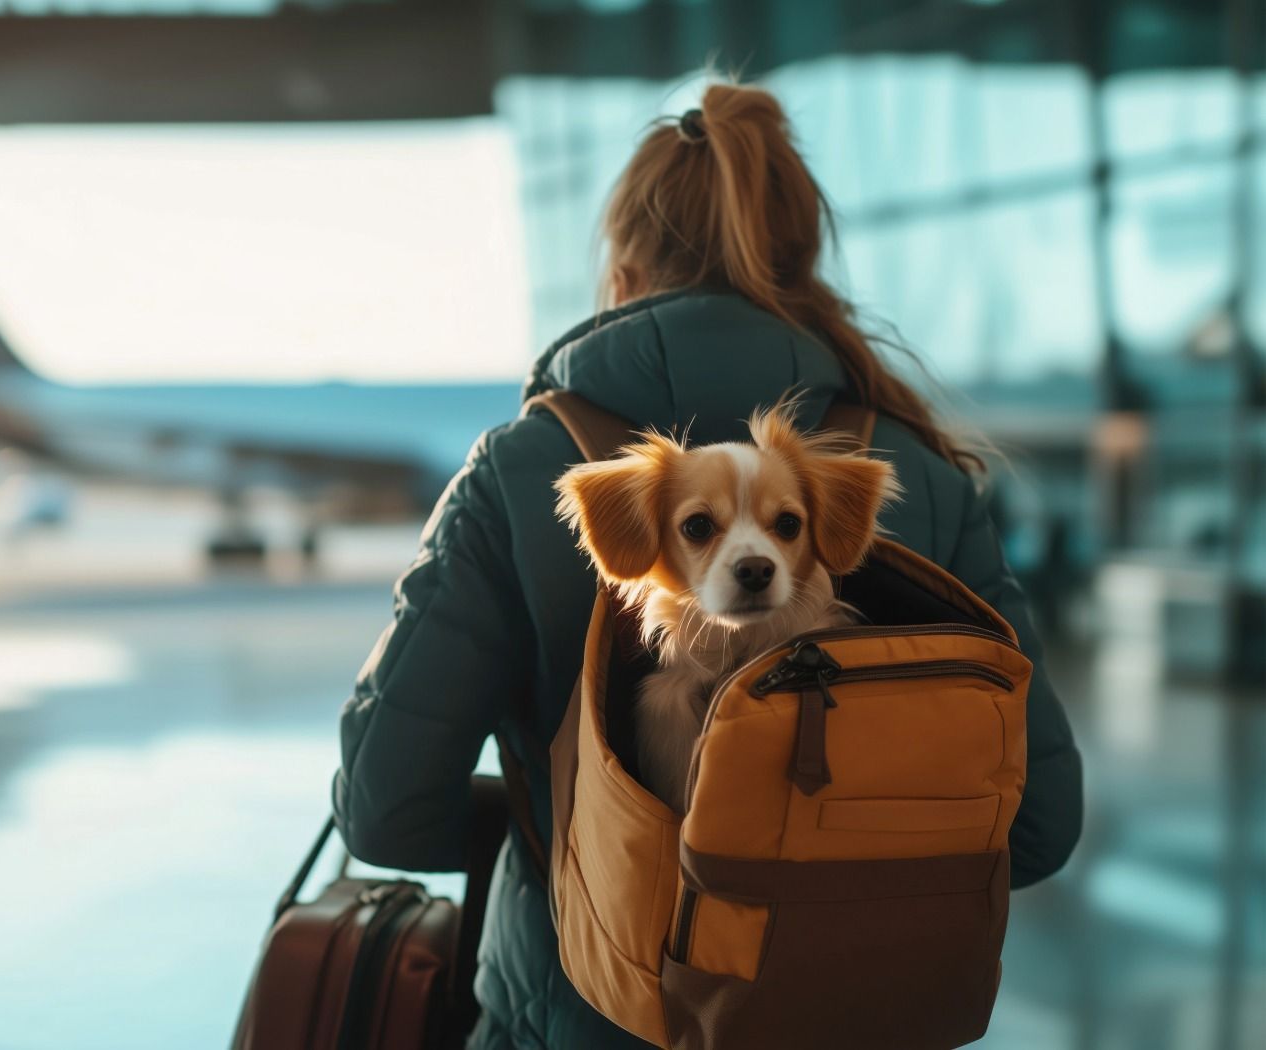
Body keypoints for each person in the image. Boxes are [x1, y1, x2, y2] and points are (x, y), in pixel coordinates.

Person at [333, 81, 1082, 1049]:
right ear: (799, 259)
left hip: (583, 1015)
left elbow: (386, 811)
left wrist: (560, 826)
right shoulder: (918, 473)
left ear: (625, 265)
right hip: (856, 1018)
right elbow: (1037, 824)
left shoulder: (519, 470)